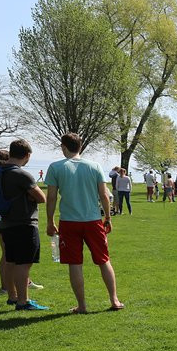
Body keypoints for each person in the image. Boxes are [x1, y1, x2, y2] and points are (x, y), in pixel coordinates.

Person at [45, 133, 124, 315]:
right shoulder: (94, 166)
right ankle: (114, 299)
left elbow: (51, 197)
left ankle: (82, 305)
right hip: (93, 220)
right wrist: (108, 218)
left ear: (64, 147)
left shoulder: (56, 167)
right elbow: (104, 195)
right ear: (80, 147)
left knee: (75, 264)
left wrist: (50, 221)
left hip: (69, 222)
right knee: (104, 260)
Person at [0, 139, 49, 311]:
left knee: (10, 260)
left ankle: (12, 296)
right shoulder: (21, 174)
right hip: (24, 223)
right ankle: (23, 301)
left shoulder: (0, 172)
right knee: (24, 263)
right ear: (27, 155)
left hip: (6, 223)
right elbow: (42, 198)